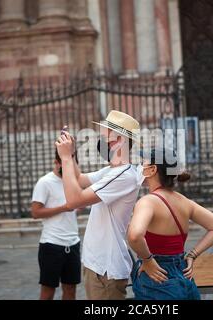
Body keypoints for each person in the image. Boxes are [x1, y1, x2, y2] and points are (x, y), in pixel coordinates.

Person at [55, 110, 141, 300]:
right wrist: (71, 153)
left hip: (105, 269)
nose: (102, 140)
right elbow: (78, 178)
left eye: (107, 136)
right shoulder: (113, 171)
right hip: (98, 266)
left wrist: (67, 158)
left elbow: (74, 200)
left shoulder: (124, 175)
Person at [127, 148, 213, 300]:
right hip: (183, 274)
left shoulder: (147, 202)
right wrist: (192, 255)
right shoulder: (184, 202)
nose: (140, 166)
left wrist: (148, 261)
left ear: (153, 170)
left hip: (157, 277)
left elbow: (134, 236)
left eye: (143, 163)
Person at [31, 149, 81, 300]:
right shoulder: (45, 182)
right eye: (65, 163)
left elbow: (74, 206)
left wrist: (76, 206)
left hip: (73, 243)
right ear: (57, 162)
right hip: (51, 244)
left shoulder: (73, 181)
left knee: (71, 289)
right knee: (48, 291)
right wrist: (63, 208)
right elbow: (35, 212)